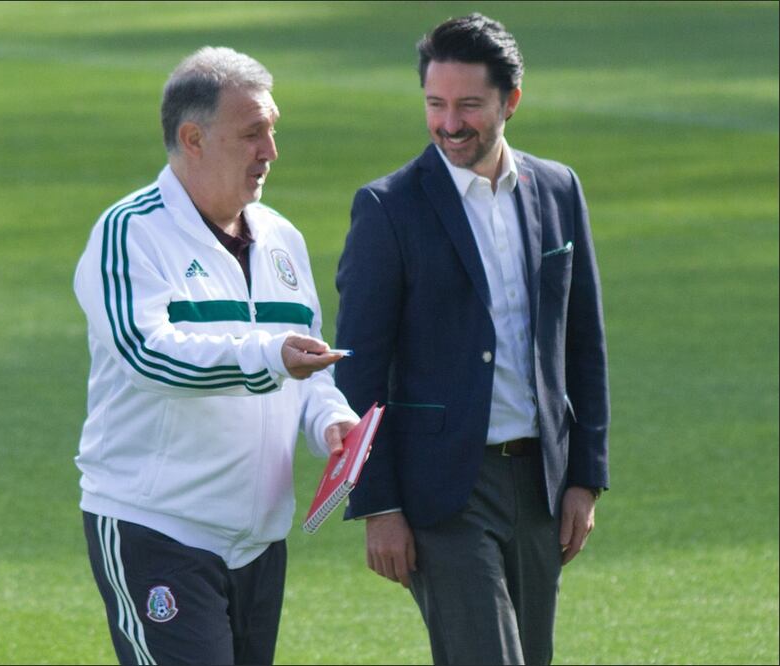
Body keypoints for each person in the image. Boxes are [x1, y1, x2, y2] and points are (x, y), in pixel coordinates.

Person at [334, 13, 610, 665]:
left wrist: (585, 478)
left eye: (468, 105)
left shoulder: (557, 189)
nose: (449, 123)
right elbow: (358, 371)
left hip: (540, 484)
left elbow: (582, 342)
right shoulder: (387, 208)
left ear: (510, 100)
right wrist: (377, 504)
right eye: (435, 104)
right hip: (440, 492)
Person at [73, 46, 358, 666]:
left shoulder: (282, 237)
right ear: (193, 138)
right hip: (158, 529)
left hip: (259, 542)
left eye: (273, 130)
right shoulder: (129, 232)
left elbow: (303, 363)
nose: (270, 151)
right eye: (252, 133)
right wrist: (273, 356)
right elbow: (149, 355)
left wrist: (328, 419)